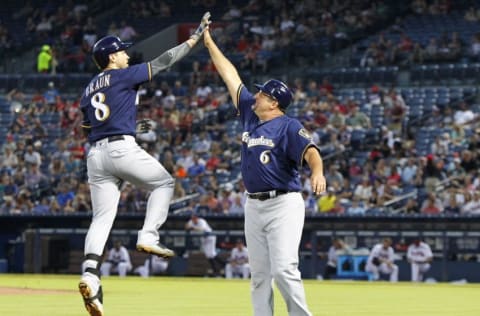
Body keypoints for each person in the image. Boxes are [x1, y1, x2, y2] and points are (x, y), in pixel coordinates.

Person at [77, 12, 211, 316]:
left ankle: (89, 274)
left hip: (97, 155)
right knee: (164, 182)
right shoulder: (122, 74)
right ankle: (148, 234)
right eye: (121, 50)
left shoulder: (86, 91)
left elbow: (88, 129)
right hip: (121, 148)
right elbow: (163, 62)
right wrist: (192, 40)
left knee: (101, 218)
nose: (126, 53)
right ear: (111, 57)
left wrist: (127, 126)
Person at [204, 25, 326, 316]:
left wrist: (318, 172)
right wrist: (208, 42)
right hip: (253, 204)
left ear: (274, 102)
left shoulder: (289, 125)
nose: (255, 95)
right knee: (259, 276)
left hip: (283, 203)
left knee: (284, 269)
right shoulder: (250, 114)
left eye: (261, 93)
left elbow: (311, 151)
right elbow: (230, 76)